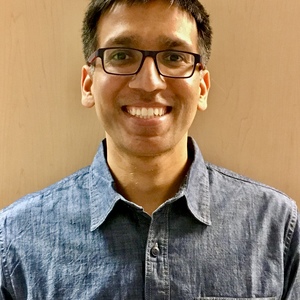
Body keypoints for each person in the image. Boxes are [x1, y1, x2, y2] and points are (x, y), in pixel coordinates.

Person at [0, 0, 299, 298]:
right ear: (88, 84)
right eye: (121, 55)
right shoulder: (16, 240)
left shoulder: (276, 229)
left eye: (173, 57)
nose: (149, 83)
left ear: (203, 88)